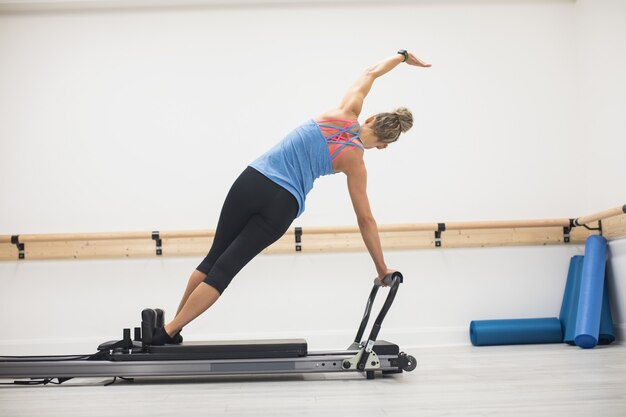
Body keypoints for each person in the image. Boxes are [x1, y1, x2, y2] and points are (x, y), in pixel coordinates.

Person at [150, 50, 431, 345]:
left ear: (371, 117)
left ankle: (171, 329)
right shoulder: (355, 164)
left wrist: (401, 56)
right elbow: (366, 220)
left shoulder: (345, 112)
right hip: (282, 204)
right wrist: (381, 268)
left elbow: (370, 73)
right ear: (384, 145)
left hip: (252, 180)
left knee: (212, 259)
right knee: (224, 271)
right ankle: (169, 331)